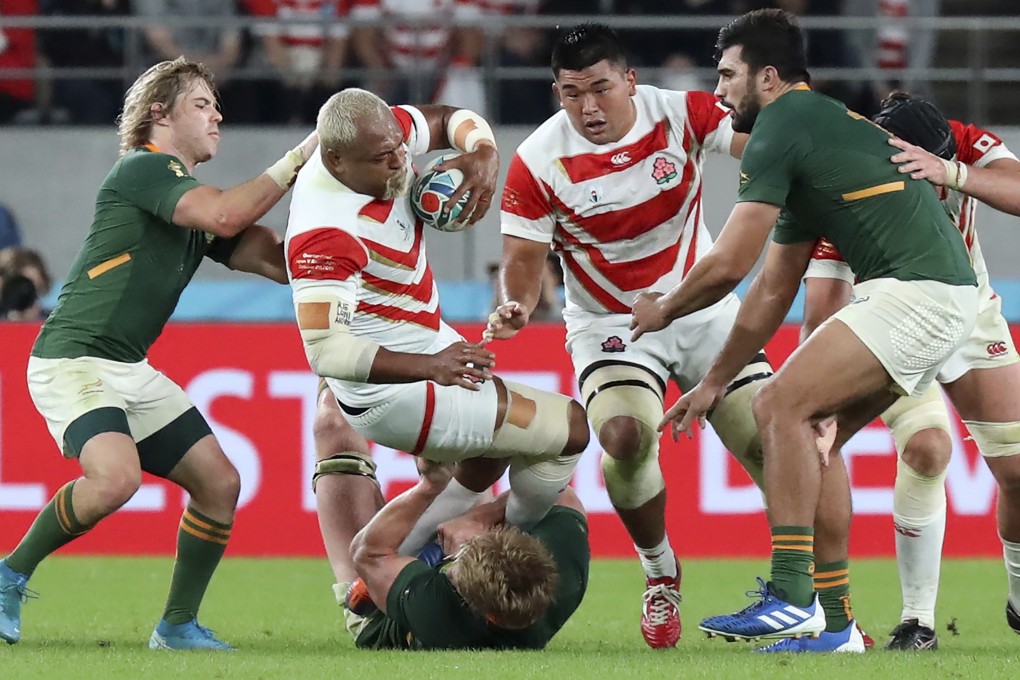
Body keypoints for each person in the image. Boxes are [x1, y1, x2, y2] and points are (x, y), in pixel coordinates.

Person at [628, 9, 977, 652]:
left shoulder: (782, 126)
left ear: (767, 77)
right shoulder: (812, 131)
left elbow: (729, 263)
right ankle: (838, 628)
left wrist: (664, 309)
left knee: (779, 404)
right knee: (815, 438)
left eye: (727, 74)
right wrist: (712, 382)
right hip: (939, 299)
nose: (718, 89)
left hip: (916, 295)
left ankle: (793, 596)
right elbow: (768, 288)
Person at [0, 57, 319, 651]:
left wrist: (345, 223)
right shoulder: (144, 169)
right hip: (74, 356)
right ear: (159, 114)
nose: (217, 114)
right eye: (201, 104)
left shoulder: (191, 201)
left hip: (126, 367)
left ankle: (175, 627)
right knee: (116, 478)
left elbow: (278, 262)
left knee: (220, 484)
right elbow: (226, 213)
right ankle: (8, 575)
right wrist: (304, 154)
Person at [486, 22, 770, 649]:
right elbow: (523, 257)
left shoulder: (681, 113)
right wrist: (514, 303)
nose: (588, 107)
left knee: (776, 444)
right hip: (612, 326)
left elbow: (758, 141)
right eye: (570, 92)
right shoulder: (538, 159)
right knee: (622, 436)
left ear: (630, 80)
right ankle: (660, 571)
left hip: (701, 308)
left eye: (600, 88)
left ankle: (807, 594)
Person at [285, 88, 590, 561]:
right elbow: (327, 353)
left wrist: (483, 152)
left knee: (485, 460)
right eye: (383, 158)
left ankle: (389, 562)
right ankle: (468, 533)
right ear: (336, 160)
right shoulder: (326, 231)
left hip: (426, 342)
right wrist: (430, 365)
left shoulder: (383, 137)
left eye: (400, 149)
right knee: (571, 430)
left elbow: (450, 118)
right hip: (393, 393)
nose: (399, 163)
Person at [801, 92, 1020, 649]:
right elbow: (822, 305)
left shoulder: (960, 141)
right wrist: (813, 391)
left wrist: (952, 170)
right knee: (928, 448)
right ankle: (918, 621)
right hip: (894, 322)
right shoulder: (849, 182)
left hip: (971, 314)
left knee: (1018, 473)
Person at [343, 460, 589, 650]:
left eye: (454, 566)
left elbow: (367, 553)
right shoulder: (566, 573)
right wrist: (479, 518)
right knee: (480, 474)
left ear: (475, 607)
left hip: (381, 615)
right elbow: (559, 494)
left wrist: (429, 488)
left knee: (335, 439)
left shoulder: (436, 608)